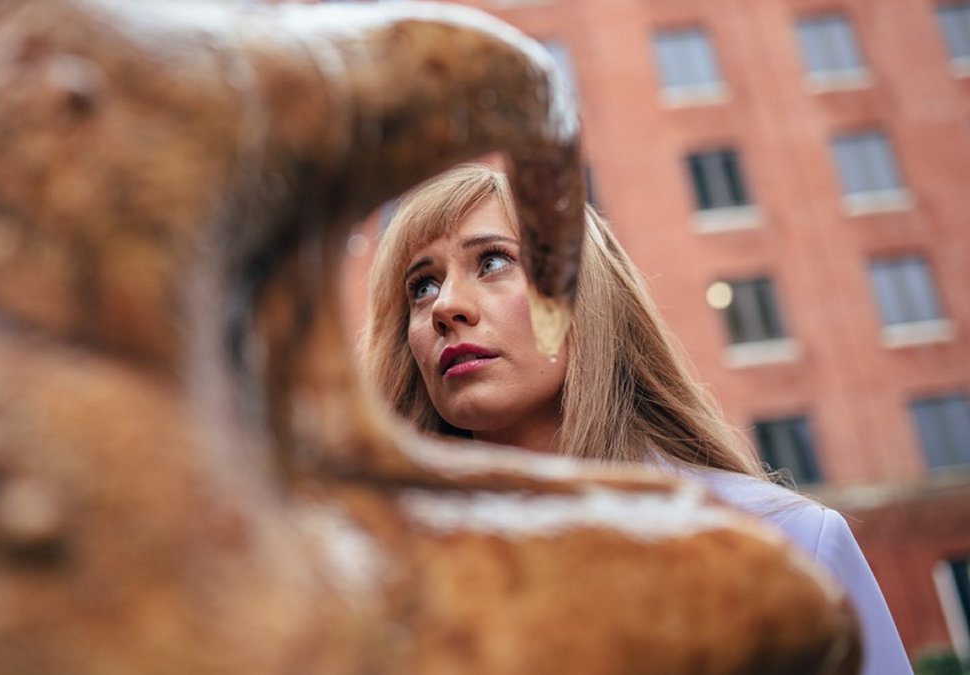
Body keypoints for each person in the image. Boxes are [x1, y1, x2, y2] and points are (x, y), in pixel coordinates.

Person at [360, 163, 913, 675]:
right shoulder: (379, 591)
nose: (445, 306)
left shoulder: (788, 546)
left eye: (494, 261)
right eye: (422, 285)